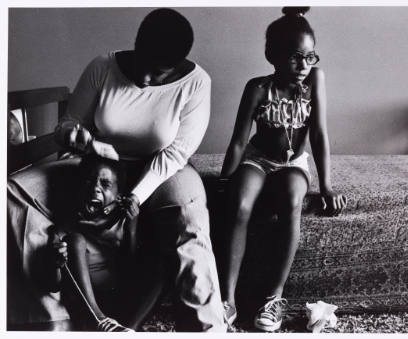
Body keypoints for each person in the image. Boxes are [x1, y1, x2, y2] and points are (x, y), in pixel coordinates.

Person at [7, 8, 225, 332]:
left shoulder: (196, 84)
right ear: (137, 43)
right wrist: (72, 134)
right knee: (11, 192)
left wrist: (134, 197)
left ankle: (206, 328)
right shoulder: (103, 67)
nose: (147, 79)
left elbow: (176, 153)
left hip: (163, 169)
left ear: (178, 64)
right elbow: (67, 124)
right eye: (145, 64)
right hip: (99, 163)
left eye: (159, 73)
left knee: (190, 219)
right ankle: (51, 319)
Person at [219, 7, 347, 332]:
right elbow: (237, 141)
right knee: (239, 201)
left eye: (310, 57)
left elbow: (318, 134)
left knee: (292, 198)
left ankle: (273, 298)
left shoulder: (315, 80)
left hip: (293, 163)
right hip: (258, 159)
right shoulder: (258, 88)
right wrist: (224, 178)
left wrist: (326, 185)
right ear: (271, 55)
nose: (303, 65)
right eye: (294, 57)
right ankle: (227, 298)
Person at [47, 154, 139, 332]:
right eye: (88, 181)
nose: (95, 188)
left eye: (105, 184)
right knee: (75, 240)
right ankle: (100, 320)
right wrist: (56, 264)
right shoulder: (69, 224)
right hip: (88, 302)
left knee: (161, 263)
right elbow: (53, 285)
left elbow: (132, 267)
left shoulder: (124, 220)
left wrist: (132, 228)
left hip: (122, 295)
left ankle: (130, 329)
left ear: (119, 195)